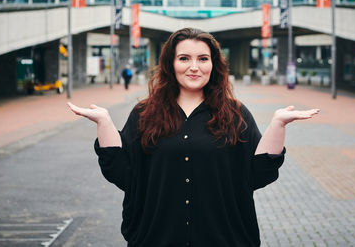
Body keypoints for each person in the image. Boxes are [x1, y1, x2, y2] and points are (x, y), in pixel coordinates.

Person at [67, 28, 319, 247]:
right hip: (156, 240)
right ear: (170, 64)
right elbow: (123, 172)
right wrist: (104, 123)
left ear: (214, 65)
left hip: (223, 240)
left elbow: (258, 173)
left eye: (203, 58)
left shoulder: (235, 114)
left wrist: (278, 125)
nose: (194, 66)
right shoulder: (145, 114)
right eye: (184, 58)